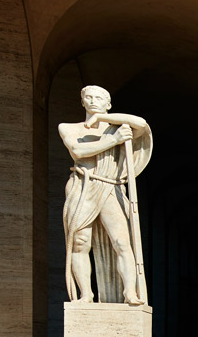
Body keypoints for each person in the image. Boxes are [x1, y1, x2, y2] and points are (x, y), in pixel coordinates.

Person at [58, 86, 153, 305]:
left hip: (110, 186)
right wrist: (114, 140)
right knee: (80, 242)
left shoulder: (115, 126)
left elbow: (140, 123)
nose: (93, 101)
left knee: (121, 242)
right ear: (82, 102)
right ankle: (86, 295)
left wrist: (103, 118)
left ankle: (129, 292)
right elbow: (78, 151)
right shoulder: (68, 128)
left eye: (99, 98)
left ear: (108, 104)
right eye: (88, 98)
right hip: (82, 186)